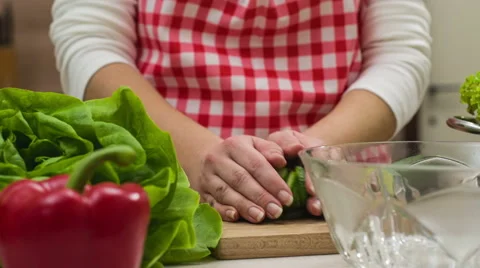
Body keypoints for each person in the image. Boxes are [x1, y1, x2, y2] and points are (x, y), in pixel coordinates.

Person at [49, 0, 432, 223]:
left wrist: (317, 154)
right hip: (166, 191)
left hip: (341, 199)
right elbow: (90, 47)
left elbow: (400, 56)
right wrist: (197, 155)